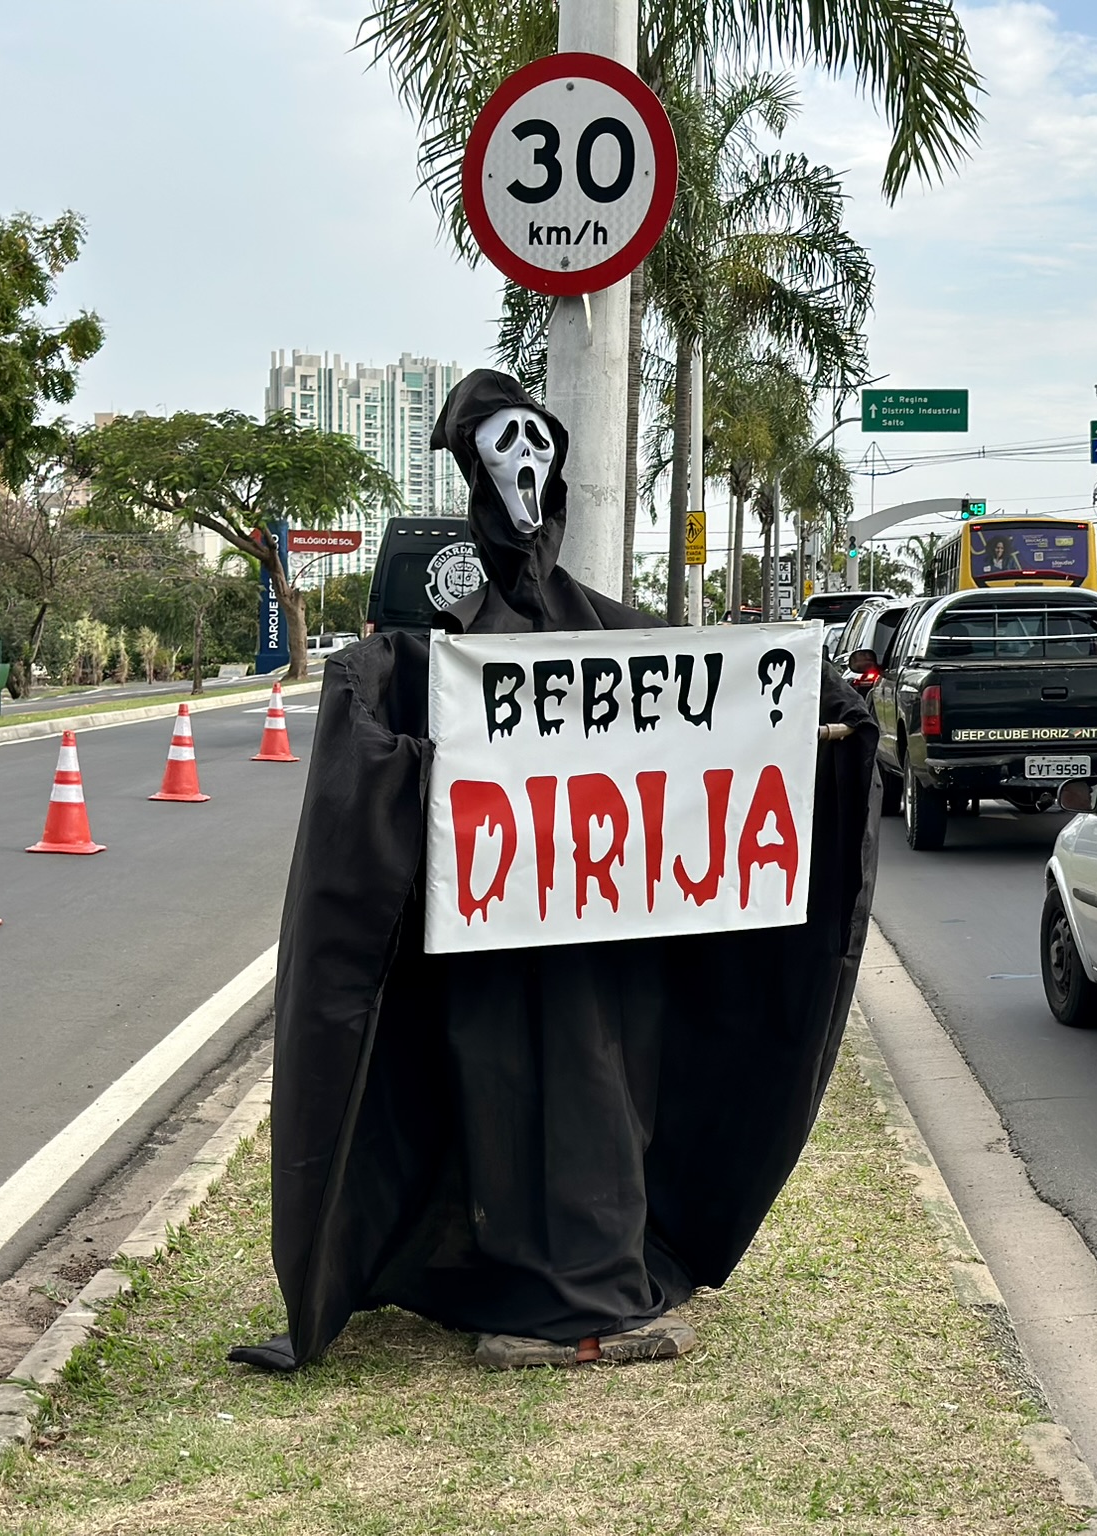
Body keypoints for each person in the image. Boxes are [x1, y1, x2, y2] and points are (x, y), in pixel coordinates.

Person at [230, 372, 881, 1372]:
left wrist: (816, 710)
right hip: (494, 930)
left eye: (537, 448)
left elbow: (712, 693)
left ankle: (594, 1277)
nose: (524, 471)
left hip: (605, 933)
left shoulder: (607, 628)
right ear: (474, 475)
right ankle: (515, 1278)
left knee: (604, 1087)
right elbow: (399, 707)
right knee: (502, 1090)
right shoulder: (450, 633)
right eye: (502, 452)